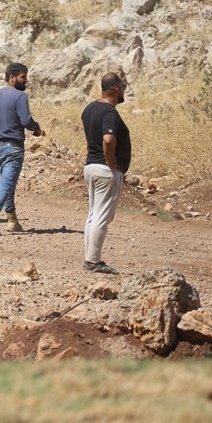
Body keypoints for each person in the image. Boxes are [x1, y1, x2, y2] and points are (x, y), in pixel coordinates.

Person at [0, 62, 44, 235]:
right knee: (7, 184)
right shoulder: (20, 97)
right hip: (13, 148)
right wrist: (37, 129)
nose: (26, 80)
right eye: (23, 77)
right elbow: (26, 121)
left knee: (8, 184)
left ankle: (12, 220)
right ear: (12, 78)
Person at [81, 72, 130, 275]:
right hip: (104, 169)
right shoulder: (109, 113)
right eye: (123, 87)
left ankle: (90, 258)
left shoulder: (89, 109)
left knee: (94, 215)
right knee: (101, 216)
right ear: (116, 89)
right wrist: (112, 162)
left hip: (91, 167)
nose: (124, 91)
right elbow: (108, 140)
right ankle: (93, 261)